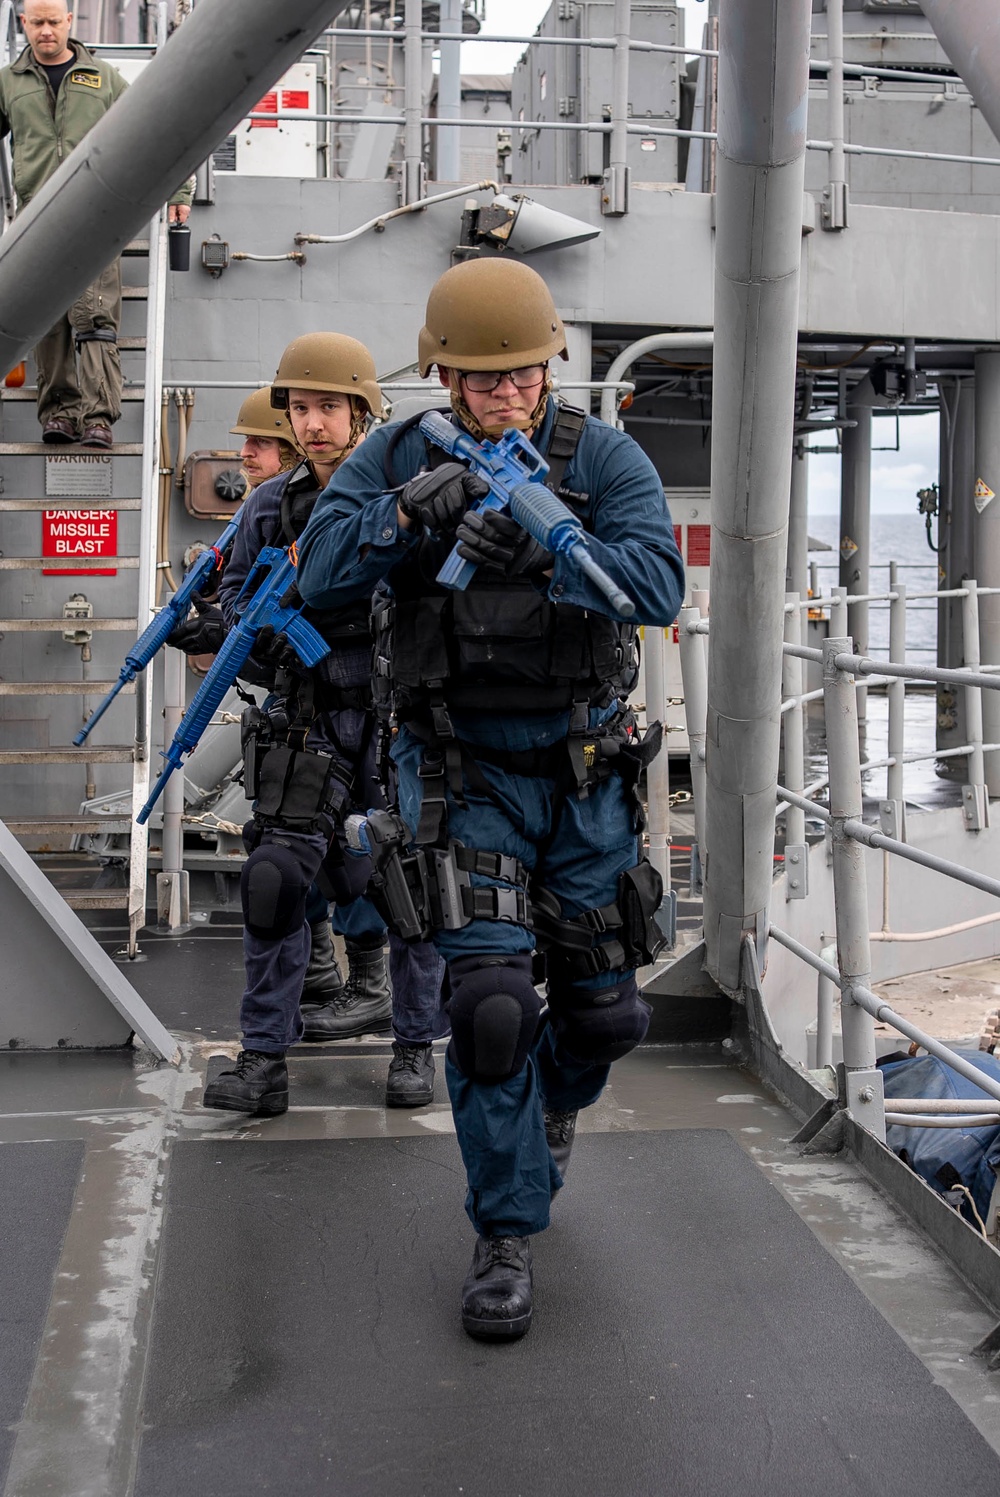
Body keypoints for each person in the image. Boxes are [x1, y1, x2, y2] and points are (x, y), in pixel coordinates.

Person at [296, 258, 685, 1341]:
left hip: (580, 771)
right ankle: (505, 1231)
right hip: (462, 773)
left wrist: (555, 539)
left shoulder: (602, 456)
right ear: (444, 376)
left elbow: (655, 586)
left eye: (522, 375)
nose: (505, 394)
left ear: (549, 365)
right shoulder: (397, 452)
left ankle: (551, 1110)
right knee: (492, 1012)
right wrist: (415, 518)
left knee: (607, 1016)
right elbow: (319, 573)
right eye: (481, 379)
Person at [197, 336, 446, 1118]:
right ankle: (264, 1062)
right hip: (306, 726)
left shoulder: (407, 492)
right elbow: (236, 597)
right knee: (273, 886)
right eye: (300, 409)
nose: (311, 424)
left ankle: (413, 1048)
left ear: (361, 412)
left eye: (327, 407)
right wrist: (261, 628)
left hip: (393, 719)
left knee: (410, 889)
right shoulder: (271, 505)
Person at [0, 1, 192, 448]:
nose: (46, 31)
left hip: (94, 217)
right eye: (37, 23)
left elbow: (153, 128)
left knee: (95, 318)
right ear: (24, 24)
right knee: (46, 321)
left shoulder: (103, 80)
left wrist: (179, 192)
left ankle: (98, 417)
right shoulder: (9, 83)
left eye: (54, 22)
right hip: (36, 219)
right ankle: (60, 415)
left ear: (70, 22)